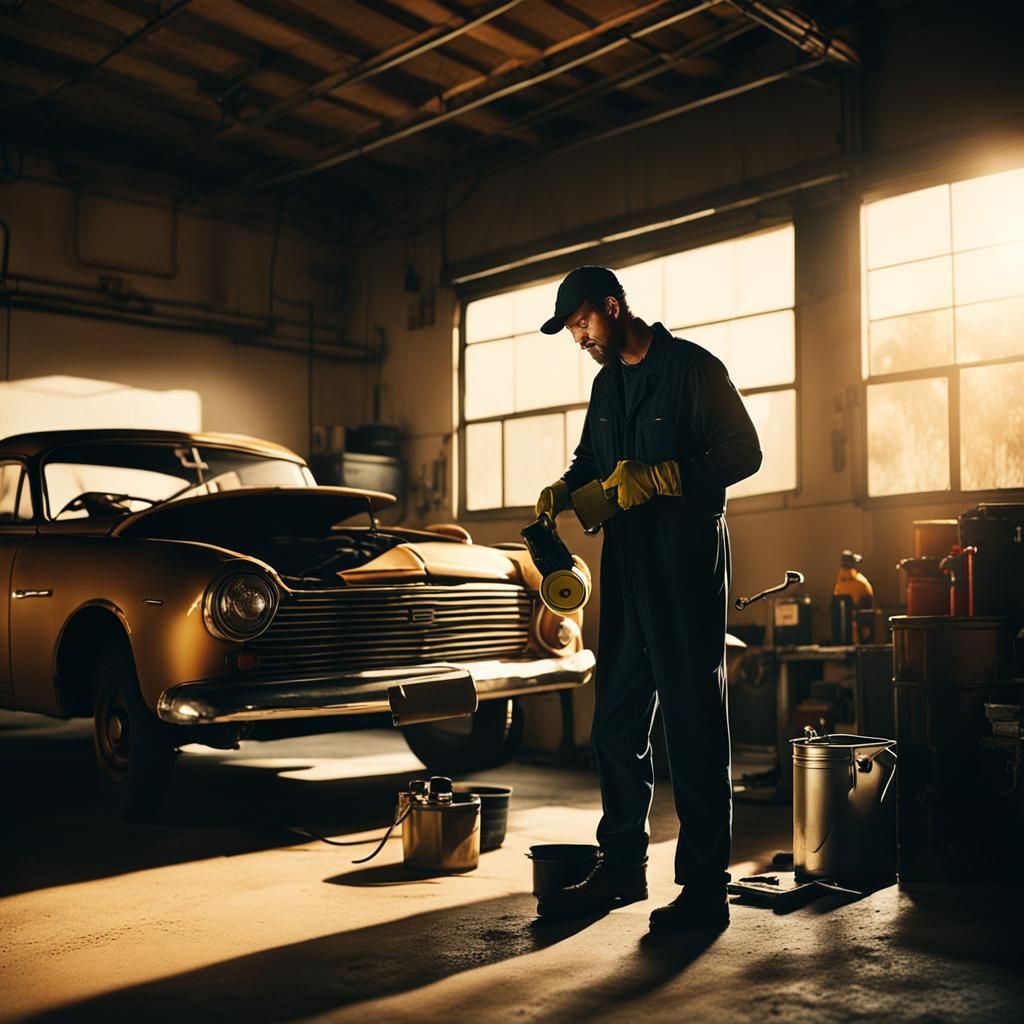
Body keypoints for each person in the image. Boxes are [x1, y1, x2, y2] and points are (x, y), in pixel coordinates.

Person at [534, 265, 762, 931]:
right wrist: (562, 492)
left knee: (692, 722)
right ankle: (623, 869)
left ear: (613, 306)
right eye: (573, 330)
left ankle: (704, 887)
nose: (580, 338)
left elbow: (744, 452)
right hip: (627, 565)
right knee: (615, 722)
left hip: (685, 559)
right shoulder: (607, 387)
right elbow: (590, 466)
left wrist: (666, 476)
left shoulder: (693, 368)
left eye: (583, 323)